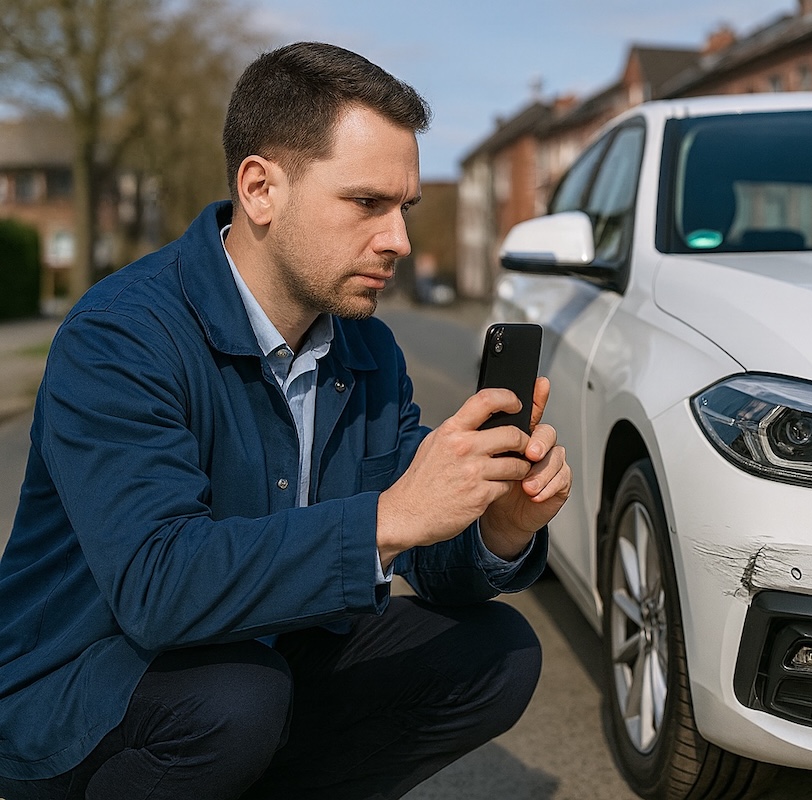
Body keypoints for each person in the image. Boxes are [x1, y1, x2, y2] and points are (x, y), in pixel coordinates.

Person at [0, 41, 571, 799]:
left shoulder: (366, 346)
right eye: (367, 203)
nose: (399, 240)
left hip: (264, 656)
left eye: (405, 209)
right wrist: (389, 518)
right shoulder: (119, 338)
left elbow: (422, 548)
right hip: (85, 688)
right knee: (236, 701)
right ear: (261, 189)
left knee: (496, 652)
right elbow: (157, 584)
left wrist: (495, 526)